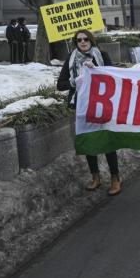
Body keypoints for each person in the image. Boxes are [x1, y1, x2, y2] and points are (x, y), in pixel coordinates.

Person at [56, 29, 122, 196]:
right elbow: (60, 84)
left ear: (91, 41)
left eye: (86, 39)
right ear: (75, 43)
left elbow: (113, 77)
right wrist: (76, 81)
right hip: (81, 106)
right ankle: (95, 177)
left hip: (101, 105)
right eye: (79, 40)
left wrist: (97, 71)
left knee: (107, 140)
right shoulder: (71, 60)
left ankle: (115, 178)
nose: (83, 42)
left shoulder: (102, 55)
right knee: (89, 140)